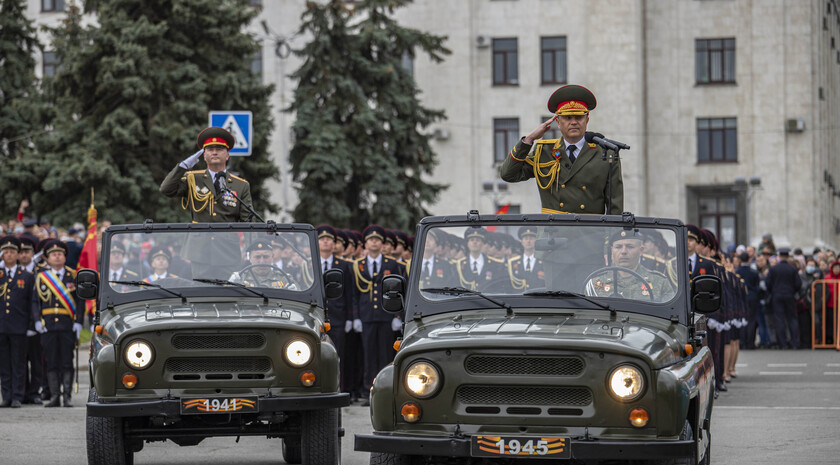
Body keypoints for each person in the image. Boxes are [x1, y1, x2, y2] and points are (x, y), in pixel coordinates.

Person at [500, 84, 623, 215]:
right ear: (558, 123)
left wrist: (612, 235)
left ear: (587, 121)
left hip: (589, 233)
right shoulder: (544, 152)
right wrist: (529, 140)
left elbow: (614, 205)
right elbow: (508, 174)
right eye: (568, 118)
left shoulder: (605, 155)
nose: (574, 122)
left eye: (579, 117)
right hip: (553, 231)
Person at [352, 225, 404, 406]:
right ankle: (368, 392)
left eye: (377, 240)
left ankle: (385, 391)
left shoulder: (392, 264)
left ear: (382, 244)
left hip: (386, 316)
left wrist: (397, 315)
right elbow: (354, 294)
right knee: (369, 356)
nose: (374, 242)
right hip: (367, 316)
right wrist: (356, 317)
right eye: (370, 240)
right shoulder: (358, 265)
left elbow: (398, 290)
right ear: (365, 244)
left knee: (384, 356)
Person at [160, 127, 253, 223]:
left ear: (227, 155)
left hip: (227, 238)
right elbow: (166, 189)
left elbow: (248, 220)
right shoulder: (192, 179)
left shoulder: (241, 185)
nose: (215, 153)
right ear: (204, 156)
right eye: (210, 149)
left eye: (219, 149)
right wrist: (184, 166)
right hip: (199, 238)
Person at [31, 239, 83, 407]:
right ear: (47, 258)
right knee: (51, 362)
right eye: (53, 254)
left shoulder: (73, 276)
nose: (57, 257)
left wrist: (79, 322)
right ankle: (54, 396)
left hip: (67, 325)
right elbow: (35, 301)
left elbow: (80, 301)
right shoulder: (41, 277)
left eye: (60, 254)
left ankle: (67, 397)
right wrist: (38, 320)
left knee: (67, 361)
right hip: (48, 326)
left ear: (65, 257)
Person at [315, 225, 355, 396]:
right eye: (322, 239)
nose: (325, 241)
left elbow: (350, 293)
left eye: (329, 239)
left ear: (334, 244)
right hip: (317, 315)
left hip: (338, 316)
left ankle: (340, 388)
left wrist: (352, 317)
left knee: (339, 355)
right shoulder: (311, 264)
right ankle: (319, 388)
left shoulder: (344, 265)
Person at [587, 230, 674, 302]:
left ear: (641, 251)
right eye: (618, 247)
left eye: (630, 246)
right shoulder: (595, 284)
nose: (623, 251)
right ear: (611, 251)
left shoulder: (659, 282)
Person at [0, 236, 35, 408]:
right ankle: (6, 396)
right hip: (1, 327)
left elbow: (31, 303)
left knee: (18, 363)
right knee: (4, 364)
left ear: (18, 255)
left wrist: (31, 325)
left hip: (19, 327)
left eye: (12, 252)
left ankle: (17, 396)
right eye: (5, 252)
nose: (9, 255)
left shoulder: (27, 277)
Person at [765, 248, 803, 349]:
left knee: (779, 319)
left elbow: (768, 283)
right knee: (792, 318)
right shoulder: (793, 269)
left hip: (777, 295)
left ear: (780, 257)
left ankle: (783, 343)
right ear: (787, 256)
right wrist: (793, 291)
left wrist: (774, 290)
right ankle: (795, 342)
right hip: (789, 295)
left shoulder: (773, 269)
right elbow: (798, 284)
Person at [454, 227, 508, 292]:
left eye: (478, 240)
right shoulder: (458, 265)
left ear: (482, 244)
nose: (475, 242)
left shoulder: (495, 264)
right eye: (472, 240)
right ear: (467, 244)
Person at [508, 226, 545, 291]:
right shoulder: (512, 262)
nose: (528, 241)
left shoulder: (544, 261)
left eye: (531, 238)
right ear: (521, 242)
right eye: (525, 238)